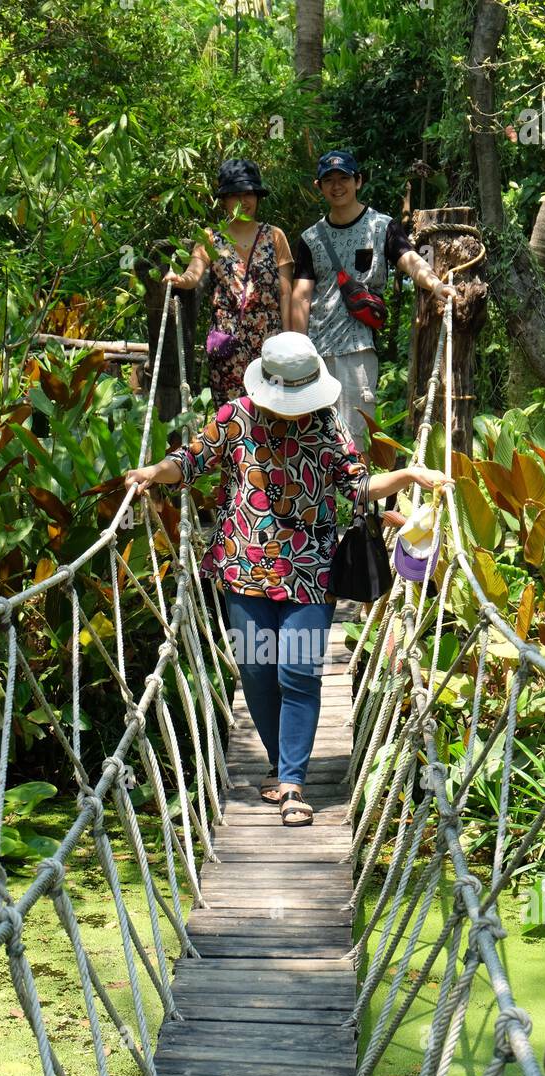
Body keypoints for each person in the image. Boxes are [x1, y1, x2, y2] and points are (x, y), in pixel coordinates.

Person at [126, 332, 449, 828]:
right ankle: (280, 764)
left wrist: (409, 475)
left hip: (310, 569)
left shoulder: (326, 424)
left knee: (296, 671)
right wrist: (154, 469)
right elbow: (188, 462)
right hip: (243, 564)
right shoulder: (234, 418)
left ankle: (294, 781)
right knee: (256, 671)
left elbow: (358, 484)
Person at [290, 149, 457, 451]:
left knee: (356, 437)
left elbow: (408, 259)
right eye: (329, 180)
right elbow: (301, 296)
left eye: (344, 178)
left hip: (359, 349)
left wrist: (435, 284)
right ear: (319, 186)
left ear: (358, 181)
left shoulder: (382, 226)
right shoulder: (310, 239)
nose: (337, 186)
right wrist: (298, 350)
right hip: (316, 352)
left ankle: (360, 498)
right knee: (314, 438)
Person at [164, 158, 294, 408]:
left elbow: (286, 293)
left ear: (257, 196)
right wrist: (179, 279)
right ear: (224, 200)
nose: (243, 202)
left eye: (248, 194)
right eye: (235, 195)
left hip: (269, 338)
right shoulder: (210, 237)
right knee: (232, 414)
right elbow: (194, 273)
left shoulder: (274, 236)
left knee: (272, 411)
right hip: (228, 342)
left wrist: (288, 339)